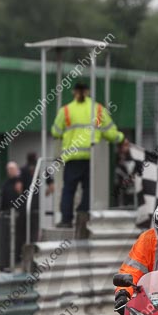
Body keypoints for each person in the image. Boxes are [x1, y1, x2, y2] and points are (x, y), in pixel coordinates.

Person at [51, 81, 128, 228]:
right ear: (88, 91)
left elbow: (56, 131)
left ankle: (66, 220)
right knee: (88, 190)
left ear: (74, 92)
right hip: (91, 158)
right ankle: (83, 217)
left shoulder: (66, 111)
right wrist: (122, 139)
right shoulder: (98, 110)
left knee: (69, 190)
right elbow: (110, 133)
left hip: (72, 157)